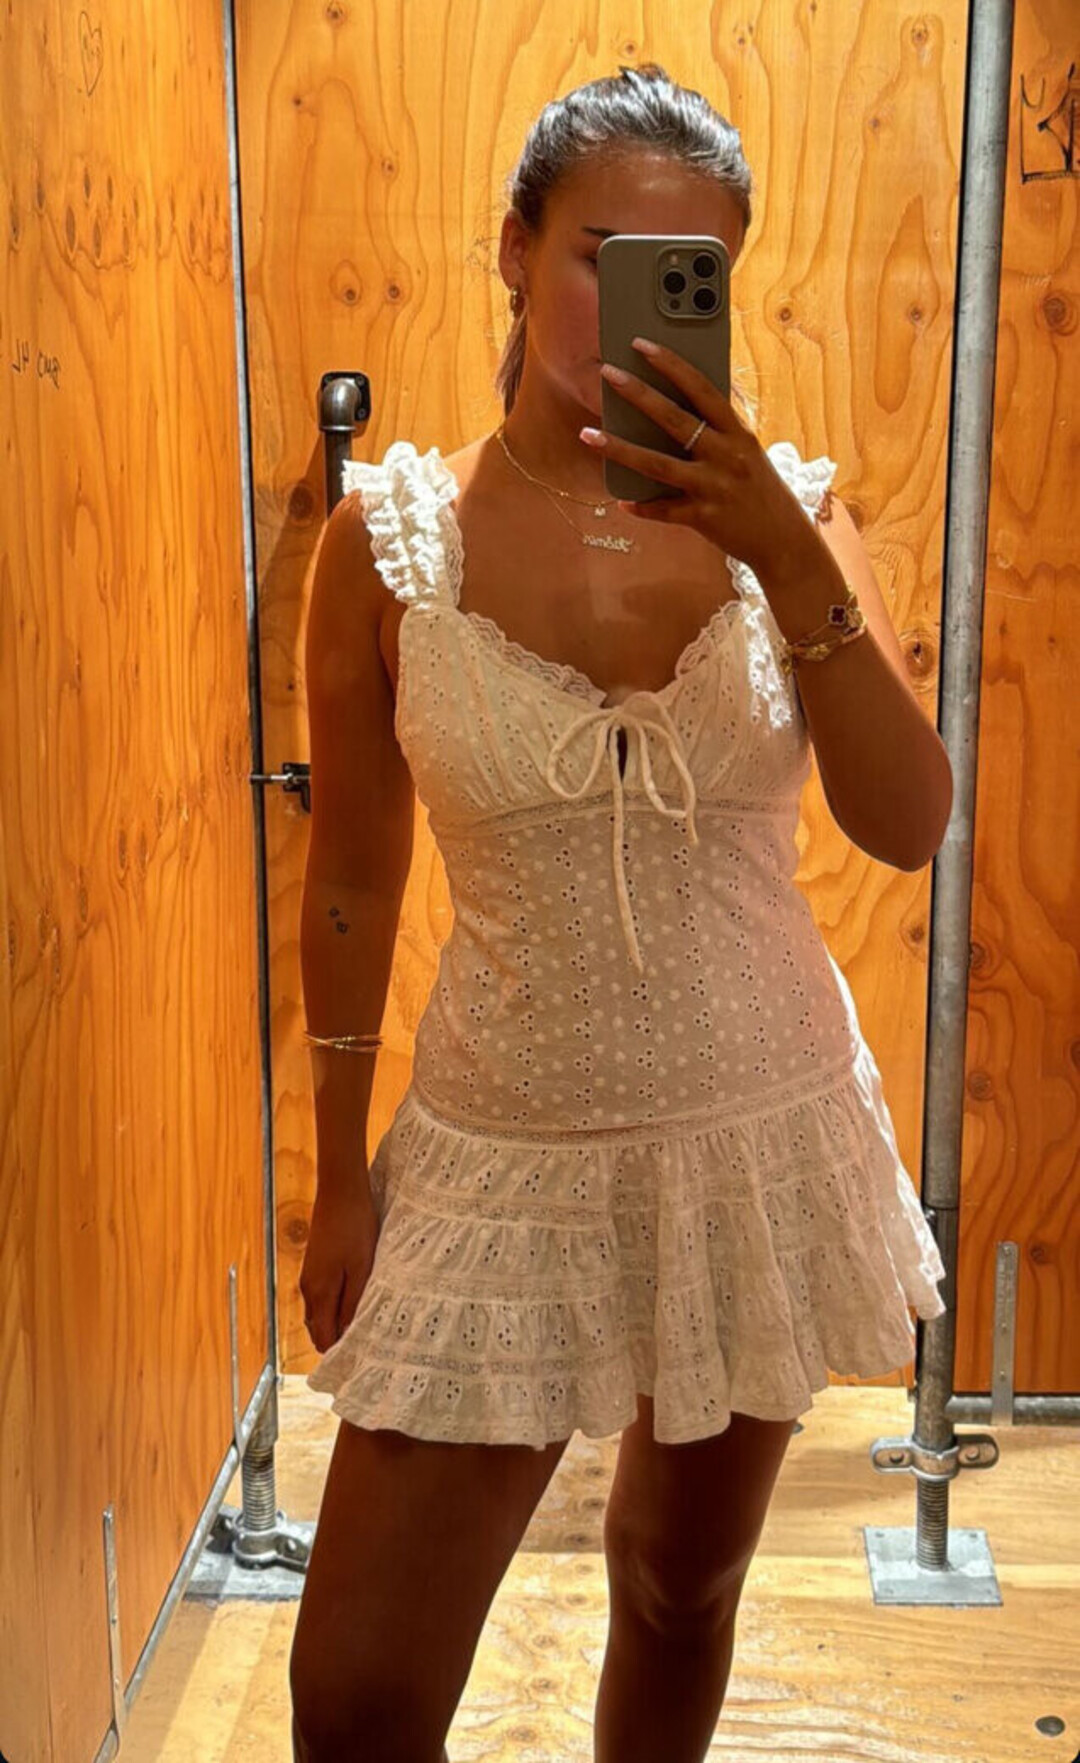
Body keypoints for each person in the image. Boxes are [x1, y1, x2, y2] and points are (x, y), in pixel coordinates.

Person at [290, 64, 951, 1763]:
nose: (639, 304)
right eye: (603, 256)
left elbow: (906, 824)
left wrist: (784, 554)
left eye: (689, 271)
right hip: (499, 1152)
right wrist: (337, 1168)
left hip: (758, 1134)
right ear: (515, 250)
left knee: (677, 1586)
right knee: (355, 1702)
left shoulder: (793, 517)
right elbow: (352, 874)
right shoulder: (390, 544)